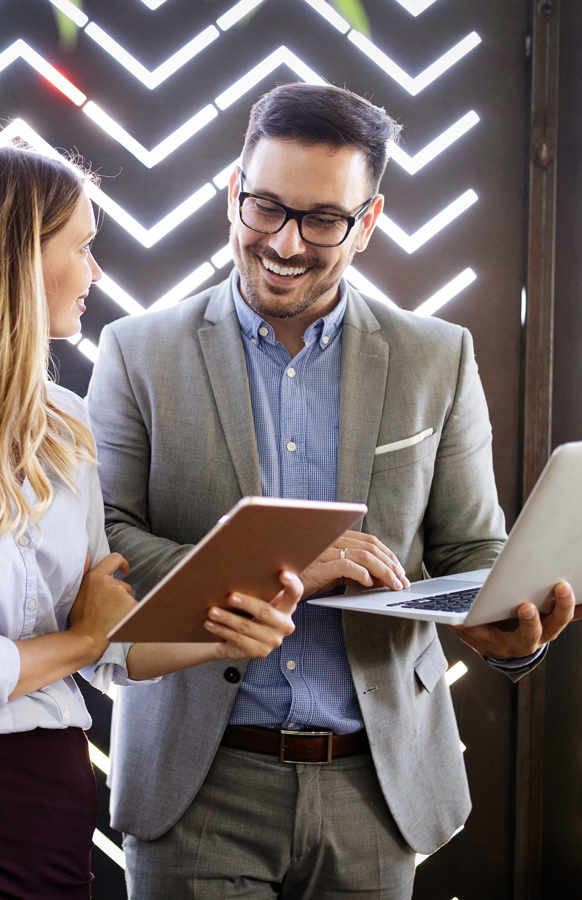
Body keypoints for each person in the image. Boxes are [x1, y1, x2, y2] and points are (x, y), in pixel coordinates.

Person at [86, 83, 578, 900]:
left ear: (370, 221)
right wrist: (291, 566)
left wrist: (510, 627)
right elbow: (104, 543)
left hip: (374, 788)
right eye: (267, 208)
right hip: (197, 779)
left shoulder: (437, 357)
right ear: (233, 194)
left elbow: (471, 550)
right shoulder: (138, 353)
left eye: (322, 220)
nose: (285, 242)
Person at [0, 132, 303, 900]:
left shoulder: (64, 423)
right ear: (12, 259)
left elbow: (110, 649)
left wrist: (225, 635)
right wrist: (80, 638)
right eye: (81, 247)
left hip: (58, 820)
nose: (95, 272)